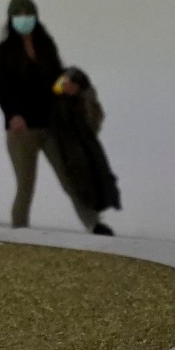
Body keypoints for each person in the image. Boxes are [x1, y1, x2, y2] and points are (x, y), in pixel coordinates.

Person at [0, 0, 104, 232]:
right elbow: (2, 89)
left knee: (71, 178)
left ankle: (95, 227)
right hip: (22, 131)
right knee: (25, 187)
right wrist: (13, 115)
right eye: (19, 16)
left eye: (28, 15)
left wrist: (68, 86)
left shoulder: (45, 44)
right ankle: (19, 236)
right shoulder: (3, 52)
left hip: (50, 124)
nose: (24, 20)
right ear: (11, 19)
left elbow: (55, 77)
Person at [50, 67, 121, 232]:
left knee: (82, 177)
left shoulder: (80, 97)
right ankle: (93, 224)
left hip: (75, 141)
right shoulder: (61, 99)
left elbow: (92, 121)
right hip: (60, 139)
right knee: (73, 180)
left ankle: (94, 224)